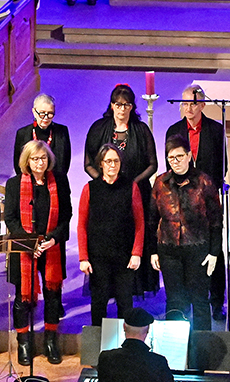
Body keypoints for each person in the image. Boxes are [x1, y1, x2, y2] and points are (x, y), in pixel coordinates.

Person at [84, 85, 158, 293]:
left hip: (135, 193)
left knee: (134, 234)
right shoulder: (99, 128)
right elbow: (88, 163)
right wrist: (106, 181)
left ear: (132, 107)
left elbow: (153, 164)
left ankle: (133, 286)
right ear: (112, 106)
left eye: (126, 105)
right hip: (106, 195)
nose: (122, 109)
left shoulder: (141, 130)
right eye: (118, 105)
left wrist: (132, 184)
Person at [164, 84, 228, 323]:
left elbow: (222, 163)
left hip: (207, 197)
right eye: (184, 103)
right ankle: (186, 304)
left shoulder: (215, 129)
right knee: (188, 251)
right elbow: (169, 163)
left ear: (202, 104)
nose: (188, 108)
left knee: (214, 250)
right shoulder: (174, 129)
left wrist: (208, 190)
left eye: (192, 103)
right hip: (181, 198)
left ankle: (217, 301)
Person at [5, 141, 72, 365]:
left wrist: (53, 237)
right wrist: (27, 242)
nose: (39, 163)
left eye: (43, 158)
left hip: (51, 246)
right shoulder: (15, 184)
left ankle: (51, 341)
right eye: (35, 159)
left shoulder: (59, 181)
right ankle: (24, 342)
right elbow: (10, 218)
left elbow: (67, 214)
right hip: (25, 249)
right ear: (27, 161)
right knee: (22, 298)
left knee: (53, 296)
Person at [150, 135, 222, 330]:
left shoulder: (203, 182)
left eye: (180, 156)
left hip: (197, 249)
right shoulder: (160, 183)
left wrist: (214, 252)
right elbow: (152, 219)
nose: (176, 161)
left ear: (189, 155)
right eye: (171, 158)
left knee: (199, 300)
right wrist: (153, 251)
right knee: (174, 301)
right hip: (169, 251)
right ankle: (176, 353)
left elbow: (216, 220)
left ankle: (202, 351)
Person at [79, 144, 144, 326]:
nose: (112, 165)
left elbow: (140, 223)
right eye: (108, 161)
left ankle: (126, 347)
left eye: (116, 161)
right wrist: (84, 257)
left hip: (124, 258)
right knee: (98, 304)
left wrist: (136, 253)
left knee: (125, 304)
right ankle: (100, 349)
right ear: (101, 164)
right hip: (98, 258)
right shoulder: (89, 188)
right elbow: (82, 225)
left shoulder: (130, 187)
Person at [12, 93, 71, 177]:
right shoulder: (22, 133)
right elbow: (18, 163)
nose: (46, 118)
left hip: (55, 180)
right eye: (42, 113)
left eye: (50, 113)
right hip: (29, 180)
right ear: (34, 112)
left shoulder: (62, 131)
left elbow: (65, 162)